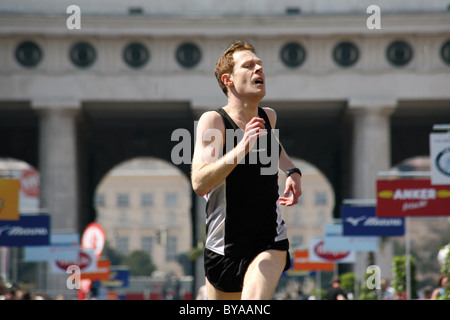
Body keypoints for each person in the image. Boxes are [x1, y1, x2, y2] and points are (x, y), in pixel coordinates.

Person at [191, 40, 302, 300]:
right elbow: (199, 183)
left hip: (268, 240)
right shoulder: (214, 120)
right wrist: (242, 147)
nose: (259, 70)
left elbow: (275, 149)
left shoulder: (268, 117)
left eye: (260, 65)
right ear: (228, 80)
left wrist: (292, 172)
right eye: (249, 66)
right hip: (223, 248)